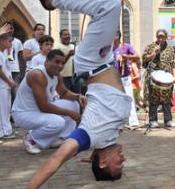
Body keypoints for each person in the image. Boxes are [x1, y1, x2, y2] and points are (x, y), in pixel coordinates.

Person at [27, 0, 130, 188]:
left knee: (109, 5)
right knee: (115, 4)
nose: (123, 160)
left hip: (93, 62)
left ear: (104, 162)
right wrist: (94, 154)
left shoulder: (90, 136)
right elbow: (102, 141)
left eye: (118, 164)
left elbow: (56, 159)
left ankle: (52, 2)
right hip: (105, 60)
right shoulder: (105, 140)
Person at [12, 49, 83, 154]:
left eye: (62, 63)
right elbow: (44, 106)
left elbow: (63, 93)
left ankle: (57, 139)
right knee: (58, 122)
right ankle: (31, 139)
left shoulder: (56, 74)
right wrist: (70, 113)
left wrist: (79, 97)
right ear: (46, 61)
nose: (60, 65)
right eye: (56, 62)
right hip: (23, 113)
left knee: (74, 104)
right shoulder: (37, 74)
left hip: (38, 111)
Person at [142, 29, 175, 128]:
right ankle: (153, 120)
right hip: (153, 77)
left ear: (166, 37)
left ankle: (168, 120)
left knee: (167, 100)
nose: (160, 38)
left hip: (167, 78)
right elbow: (144, 61)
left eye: (162, 36)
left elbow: (173, 64)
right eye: (159, 36)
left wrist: (174, 77)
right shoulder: (150, 47)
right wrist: (154, 53)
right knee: (153, 100)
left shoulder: (170, 49)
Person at [113, 30, 140, 129]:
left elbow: (137, 56)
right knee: (115, 100)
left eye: (115, 34)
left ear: (118, 36)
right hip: (114, 78)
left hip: (125, 77)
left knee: (129, 98)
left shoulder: (126, 46)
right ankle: (118, 123)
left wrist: (126, 57)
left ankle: (133, 122)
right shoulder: (110, 49)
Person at [0, 31, 17, 140]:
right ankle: (4, 131)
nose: (11, 43)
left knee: (6, 109)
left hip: (5, 85)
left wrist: (10, 80)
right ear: (1, 41)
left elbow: (9, 66)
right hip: (2, 85)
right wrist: (8, 81)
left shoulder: (4, 53)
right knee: (3, 109)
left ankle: (6, 129)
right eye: (9, 41)